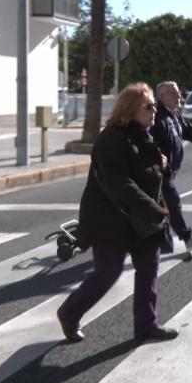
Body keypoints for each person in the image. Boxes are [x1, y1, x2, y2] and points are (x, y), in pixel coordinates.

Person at [57, 82, 179, 343]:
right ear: (129, 110)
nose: (154, 111)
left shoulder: (143, 134)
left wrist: (163, 166)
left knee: (148, 269)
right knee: (108, 272)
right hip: (110, 219)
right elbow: (119, 184)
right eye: (148, 106)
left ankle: (146, 325)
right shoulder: (111, 139)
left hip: (141, 219)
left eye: (154, 106)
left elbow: (150, 172)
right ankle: (69, 313)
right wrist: (155, 211)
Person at [150, 81, 192, 260]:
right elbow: (149, 142)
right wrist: (159, 160)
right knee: (172, 202)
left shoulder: (174, 114)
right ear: (162, 96)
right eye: (174, 93)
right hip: (159, 172)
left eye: (179, 92)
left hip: (169, 171)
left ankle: (163, 244)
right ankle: (187, 238)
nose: (179, 96)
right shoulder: (157, 117)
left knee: (162, 208)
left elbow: (189, 130)